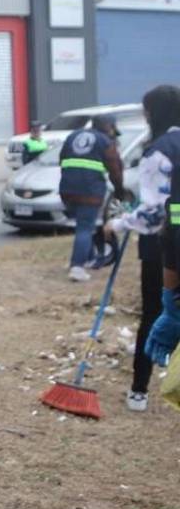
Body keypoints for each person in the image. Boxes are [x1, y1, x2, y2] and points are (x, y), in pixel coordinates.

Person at [104, 86, 180, 411]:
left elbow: (153, 214)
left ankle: (139, 390)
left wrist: (117, 224)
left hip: (164, 247)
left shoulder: (158, 151)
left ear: (153, 113)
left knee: (155, 313)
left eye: (146, 111)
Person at [59, 113, 126, 282]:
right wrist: (119, 190)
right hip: (90, 190)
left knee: (83, 225)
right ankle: (77, 267)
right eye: (113, 129)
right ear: (108, 126)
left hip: (67, 189)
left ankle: (88, 259)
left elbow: (62, 159)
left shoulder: (73, 136)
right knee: (85, 228)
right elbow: (115, 169)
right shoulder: (105, 141)